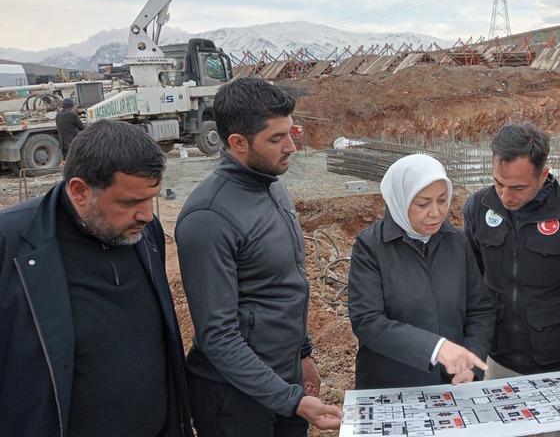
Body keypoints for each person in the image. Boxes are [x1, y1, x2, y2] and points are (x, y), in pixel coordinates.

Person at [0, 120, 192, 437]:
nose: (146, 214)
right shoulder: (12, 246)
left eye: (152, 197)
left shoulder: (145, 232)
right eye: (130, 202)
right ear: (79, 191)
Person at [175, 77, 341, 437]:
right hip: (235, 401)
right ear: (237, 143)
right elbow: (218, 336)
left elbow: (283, 288)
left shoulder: (274, 189)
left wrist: (303, 357)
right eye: (276, 139)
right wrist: (289, 398)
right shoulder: (209, 218)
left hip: (284, 384)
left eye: (291, 132)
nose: (292, 147)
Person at [463, 122, 560, 437]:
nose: (506, 195)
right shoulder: (478, 206)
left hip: (557, 365)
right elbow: (472, 285)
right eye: (499, 183)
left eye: (518, 187)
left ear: (543, 173)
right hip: (499, 360)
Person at [348, 154, 494, 389]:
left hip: (451, 384)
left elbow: (480, 310)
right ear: (400, 200)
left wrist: (470, 362)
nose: (436, 212)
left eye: (442, 200)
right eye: (423, 204)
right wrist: (436, 349)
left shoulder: (457, 243)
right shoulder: (371, 247)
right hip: (391, 384)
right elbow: (367, 321)